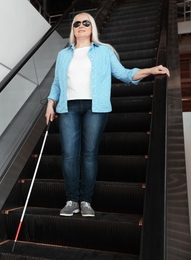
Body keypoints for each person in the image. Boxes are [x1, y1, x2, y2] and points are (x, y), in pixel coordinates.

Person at [45, 12, 170, 217]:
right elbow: (57, 83)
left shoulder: (104, 51)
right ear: (73, 29)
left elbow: (124, 74)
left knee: (89, 154)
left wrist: (150, 70)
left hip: (96, 107)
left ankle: (85, 200)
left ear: (92, 27)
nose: (81, 26)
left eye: (86, 22)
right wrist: (51, 103)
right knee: (69, 155)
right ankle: (71, 200)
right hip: (68, 108)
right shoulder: (63, 54)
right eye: (77, 23)